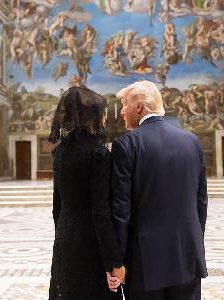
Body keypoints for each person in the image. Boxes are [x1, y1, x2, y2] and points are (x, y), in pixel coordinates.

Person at [110, 81, 208, 300]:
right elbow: (201, 202)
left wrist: (117, 262)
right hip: (188, 257)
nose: (121, 112)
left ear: (139, 107)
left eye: (124, 105)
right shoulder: (192, 141)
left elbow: (121, 210)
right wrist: (194, 244)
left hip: (146, 262)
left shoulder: (126, 145)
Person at [48, 86, 126, 300]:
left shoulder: (60, 152)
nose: (105, 117)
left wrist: (63, 236)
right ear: (94, 117)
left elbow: (57, 207)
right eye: (103, 113)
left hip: (65, 240)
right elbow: (101, 213)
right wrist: (114, 262)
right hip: (90, 246)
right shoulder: (98, 154)